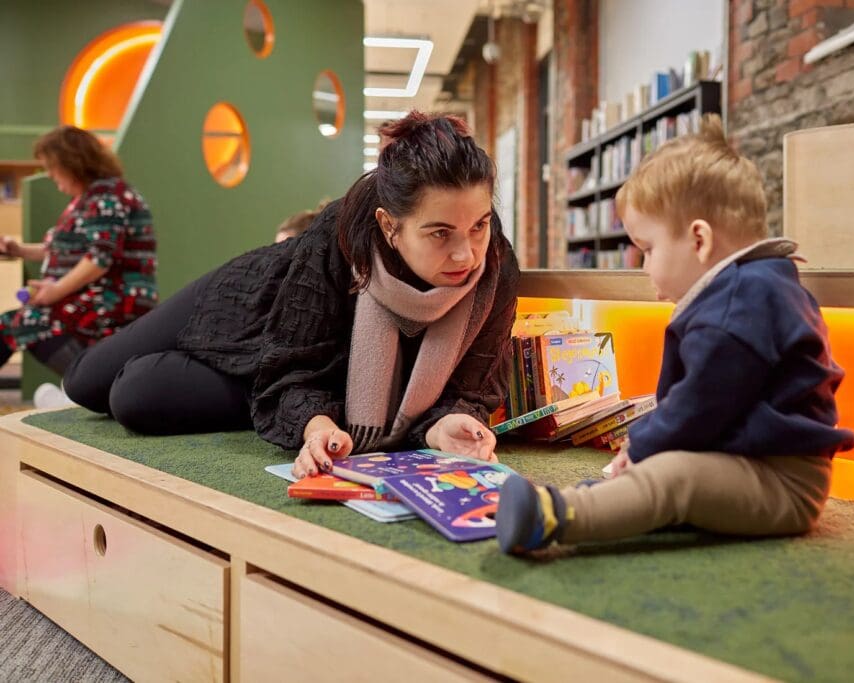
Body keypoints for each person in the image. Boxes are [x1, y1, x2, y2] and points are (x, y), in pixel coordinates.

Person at [63, 112, 519, 478]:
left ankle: (267, 403)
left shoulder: (495, 266)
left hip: (307, 374)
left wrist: (444, 427)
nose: (467, 254)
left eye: (478, 225)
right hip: (248, 309)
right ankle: (267, 399)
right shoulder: (338, 234)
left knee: (135, 396)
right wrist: (312, 417)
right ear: (389, 226)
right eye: (440, 233)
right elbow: (294, 357)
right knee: (84, 383)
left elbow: (468, 389)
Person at [495, 115, 854, 554]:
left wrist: (644, 444)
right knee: (660, 472)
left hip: (781, 483)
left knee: (673, 481)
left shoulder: (739, 302)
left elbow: (700, 404)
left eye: (647, 249)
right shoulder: (749, 290)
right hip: (744, 461)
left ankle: (554, 516)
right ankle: (610, 500)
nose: (644, 267)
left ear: (699, 240)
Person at [0, 126, 157, 379]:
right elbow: (63, 250)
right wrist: (18, 250)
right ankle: (86, 386)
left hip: (113, 299)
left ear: (73, 162)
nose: (50, 174)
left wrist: (56, 291)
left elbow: (99, 259)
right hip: (94, 297)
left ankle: (92, 384)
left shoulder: (107, 196)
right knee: (15, 323)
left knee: (25, 322)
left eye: (52, 167)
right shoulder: (88, 198)